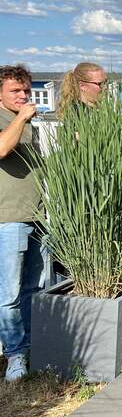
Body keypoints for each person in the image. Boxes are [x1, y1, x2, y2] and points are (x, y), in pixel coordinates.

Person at [0, 65, 42, 381]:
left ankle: (29, 348)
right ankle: (14, 355)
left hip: (37, 216)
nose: (23, 96)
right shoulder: (13, 120)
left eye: (26, 90)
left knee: (34, 288)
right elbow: (2, 149)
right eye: (15, 90)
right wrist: (22, 117)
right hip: (9, 218)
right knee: (9, 294)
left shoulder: (27, 123)